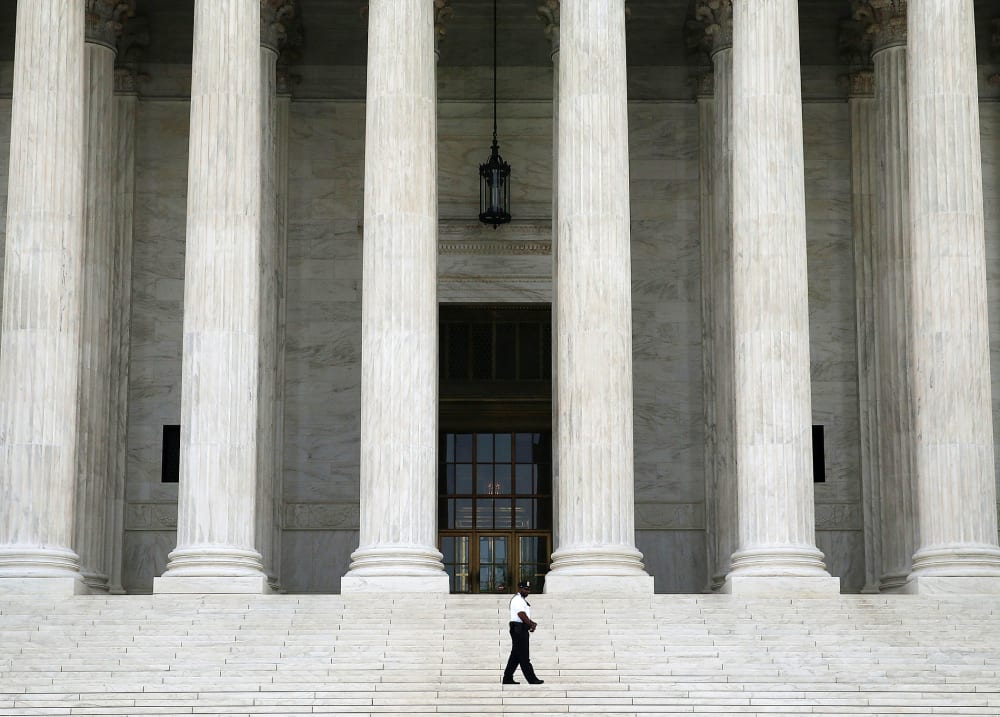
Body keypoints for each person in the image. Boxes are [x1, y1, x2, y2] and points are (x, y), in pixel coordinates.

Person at [502, 580, 544, 685]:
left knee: (515, 656)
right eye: (525, 589)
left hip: (520, 628)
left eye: (528, 589)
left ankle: (507, 678)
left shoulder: (521, 600)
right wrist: (530, 624)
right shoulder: (517, 599)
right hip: (518, 629)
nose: (527, 591)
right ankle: (532, 679)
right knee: (524, 656)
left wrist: (530, 623)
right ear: (519, 588)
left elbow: (523, 616)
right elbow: (521, 614)